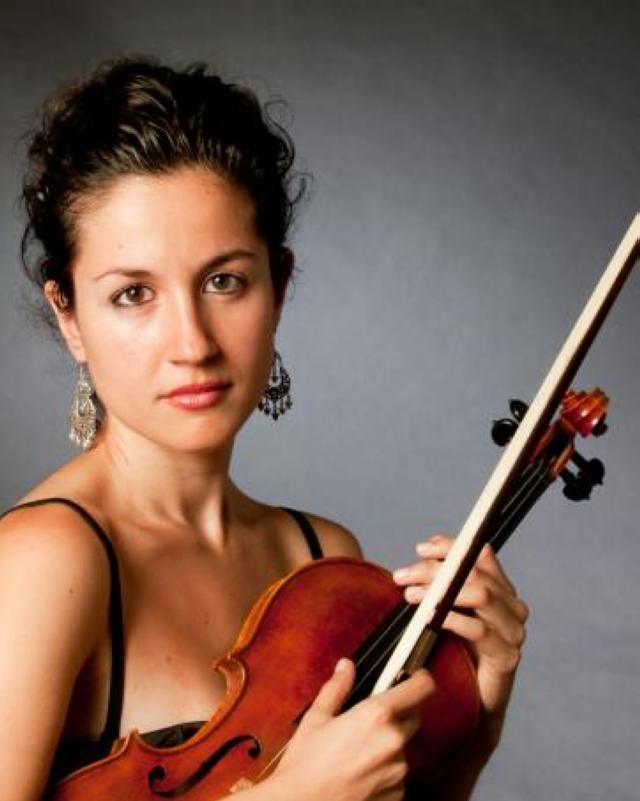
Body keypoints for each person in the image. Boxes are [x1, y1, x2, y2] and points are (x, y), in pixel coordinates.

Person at [0, 57, 528, 801]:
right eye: (133, 294)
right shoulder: (46, 560)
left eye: (224, 281)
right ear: (70, 318)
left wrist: (480, 719)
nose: (192, 342)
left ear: (277, 287)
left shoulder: (319, 559)